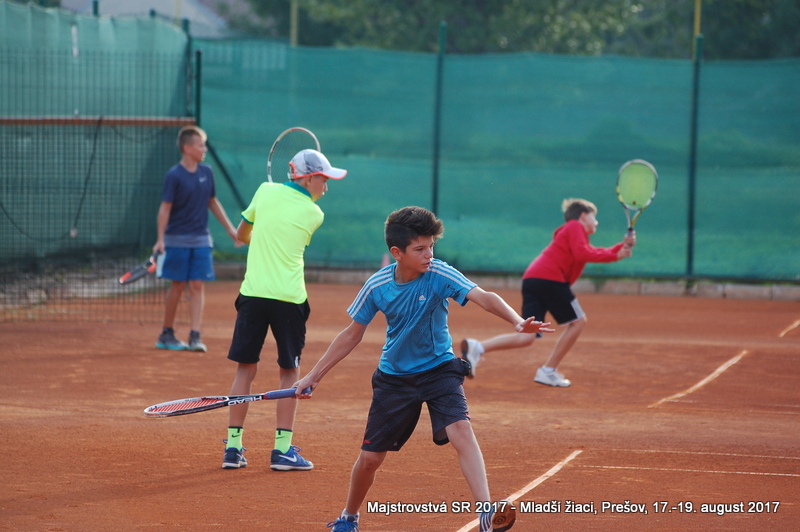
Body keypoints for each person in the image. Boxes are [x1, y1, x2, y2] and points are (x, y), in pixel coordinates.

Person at [293, 206, 553, 532]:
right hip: (394, 379)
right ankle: (349, 517)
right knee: (371, 459)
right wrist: (313, 376)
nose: (429, 254)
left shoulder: (439, 273)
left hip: (440, 369)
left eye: (431, 246)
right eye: (420, 249)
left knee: (461, 430)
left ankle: (486, 513)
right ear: (397, 253)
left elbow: (484, 297)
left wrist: (516, 321)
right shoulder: (377, 286)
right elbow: (351, 334)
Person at [222, 149, 347, 471]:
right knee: (290, 372)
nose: (326, 187)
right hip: (289, 300)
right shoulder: (314, 214)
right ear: (307, 179)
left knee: (245, 369)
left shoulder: (264, 191)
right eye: (323, 179)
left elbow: (241, 235)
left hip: (252, 295)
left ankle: (233, 448)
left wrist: (259, 234)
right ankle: (282, 451)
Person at [460, 198, 635, 388]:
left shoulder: (573, 232)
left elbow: (589, 251)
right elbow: (582, 253)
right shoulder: (575, 226)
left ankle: (478, 347)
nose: (596, 222)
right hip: (549, 278)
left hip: (533, 279)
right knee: (578, 322)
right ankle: (548, 370)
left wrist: (621, 247)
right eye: (594, 217)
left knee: (527, 335)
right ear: (584, 216)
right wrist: (615, 254)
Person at [153, 125, 241, 352]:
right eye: (201, 145)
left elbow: (213, 202)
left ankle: (195, 335)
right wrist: (160, 239)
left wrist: (231, 230)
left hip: (201, 239)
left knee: (197, 285)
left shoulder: (207, 172)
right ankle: (167, 333)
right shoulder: (174, 175)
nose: (204, 149)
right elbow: (165, 208)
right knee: (177, 284)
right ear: (187, 148)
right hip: (176, 239)